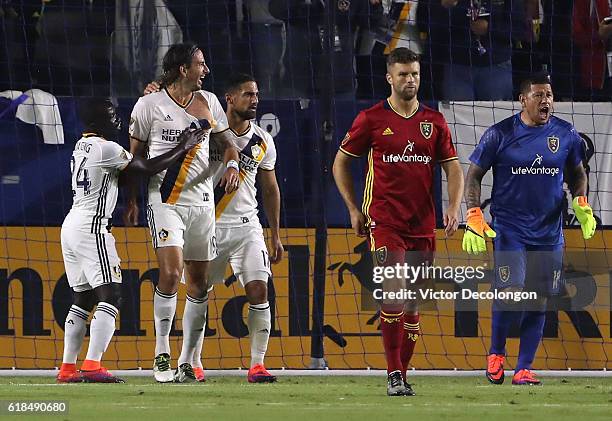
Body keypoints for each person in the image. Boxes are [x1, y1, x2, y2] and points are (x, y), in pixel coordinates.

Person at [332, 47, 464, 396]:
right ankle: (392, 374)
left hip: (423, 224)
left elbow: (453, 167)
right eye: (404, 74)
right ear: (389, 77)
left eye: (415, 74)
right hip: (385, 221)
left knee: (413, 305)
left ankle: (401, 376)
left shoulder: (434, 121)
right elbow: (340, 163)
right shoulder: (371, 119)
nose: (410, 80)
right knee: (393, 293)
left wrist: (453, 206)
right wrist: (353, 208)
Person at [143, 73, 284, 383]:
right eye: (247, 94)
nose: (255, 100)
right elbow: (170, 109)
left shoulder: (263, 141)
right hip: (208, 222)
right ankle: (190, 361)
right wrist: (154, 90)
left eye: (256, 94)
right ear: (229, 99)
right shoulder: (207, 131)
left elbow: (271, 187)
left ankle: (257, 365)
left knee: (259, 290)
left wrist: (274, 233)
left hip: (247, 227)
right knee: (198, 289)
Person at [57, 98, 206, 383]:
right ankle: (92, 364)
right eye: (111, 115)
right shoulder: (107, 148)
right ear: (97, 119)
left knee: (83, 298)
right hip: (92, 228)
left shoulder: (81, 147)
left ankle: (67, 368)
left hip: (71, 226)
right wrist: (183, 146)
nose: (117, 120)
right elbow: (146, 169)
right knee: (111, 295)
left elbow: (122, 177)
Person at [462, 73, 597, 385]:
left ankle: (524, 368)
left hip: (549, 232)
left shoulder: (566, 134)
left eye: (549, 95)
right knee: (510, 294)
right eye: (538, 95)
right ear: (523, 99)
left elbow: (577, 172)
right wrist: (472, 214)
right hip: (511, 229)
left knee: (539, 299)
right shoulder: (499, 134)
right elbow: (473, 176)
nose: (545, 100)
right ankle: (496, 354)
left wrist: (581, 201)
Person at [126, 43, 240, 383]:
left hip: (202, 202)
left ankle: (189, 359)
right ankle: (162, 353)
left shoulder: (210, 103)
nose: (206, 70)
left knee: (199, 283)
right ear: (182, 69)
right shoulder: (149, 105)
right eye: (200, 64)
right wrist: (132, 201)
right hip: (164, 201)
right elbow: (135, 158)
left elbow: (228, 144)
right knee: (172, 274)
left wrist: (232, 164)